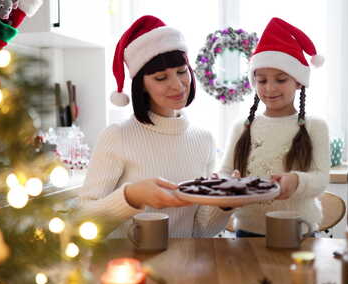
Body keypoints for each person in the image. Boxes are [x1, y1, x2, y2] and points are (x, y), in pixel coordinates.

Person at [79, 15, 234, 239]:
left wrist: (224, 203)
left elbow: (200, 230)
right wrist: (131, 196)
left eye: (182, 71)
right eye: (161, 77)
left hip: (185, 266)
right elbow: (82, 218)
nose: (178, 85)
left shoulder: (204, 139)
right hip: (129, 268)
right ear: (141, 85)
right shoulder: (117, 136)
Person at [219, 17, 330, 237]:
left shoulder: (315, 126)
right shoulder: (242, 127)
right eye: (262, 81)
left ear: (298, 81)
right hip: (247, 231)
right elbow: (224, 171)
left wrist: (296, 181)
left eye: (281, 80)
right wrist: (228, 182)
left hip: (298, 232)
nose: (270, 88)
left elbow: (321, 179)